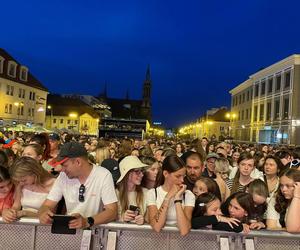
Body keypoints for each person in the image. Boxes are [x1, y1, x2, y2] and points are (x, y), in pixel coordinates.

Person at [38, 141, 118, 229]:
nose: (62, 169)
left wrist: (87, 221)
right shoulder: (63, 176)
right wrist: (43, 212)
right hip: (71, 232)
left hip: (95, 233)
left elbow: (112, 211)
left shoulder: (103, 175)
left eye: (65, 165)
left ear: (78, 162)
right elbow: (47, 205)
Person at [146, 155, 195, 236]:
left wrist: (177, 199)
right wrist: (167, 197)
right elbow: (156, 226)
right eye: (178, 176)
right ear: (165, 174)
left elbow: (184, 230)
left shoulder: (188, 195)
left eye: (183, 176)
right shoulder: (152, 193)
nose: (182, 180)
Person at [2, 157, 55, 222]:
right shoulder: (20, 184)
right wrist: (8, 212)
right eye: (19, 181)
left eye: (24, 180)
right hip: (22, 222)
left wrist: (25, 213)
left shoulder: (54, 184)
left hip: (43, 224)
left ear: (34, 173)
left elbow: (50, 215)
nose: (21, 183)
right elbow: (16, 206)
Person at [116, 156, 148, 224]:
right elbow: (109, 219)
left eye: (141, 171)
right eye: (137, 171)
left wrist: (144, 220)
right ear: (127, 174)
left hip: (139, 233)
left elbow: (150, 218)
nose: (142, 175)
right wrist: (121, 218)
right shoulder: (115, 194)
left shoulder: (146, 193)